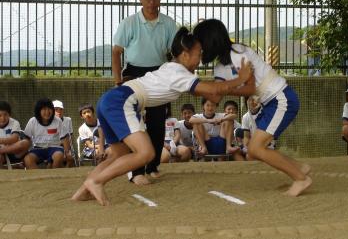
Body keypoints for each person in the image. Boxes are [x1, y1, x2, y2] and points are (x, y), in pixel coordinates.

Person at [72, 27, 253, 206]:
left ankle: (83, 191)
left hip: (111, 100)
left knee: (118, 155)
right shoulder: (179, 74)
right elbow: (213, 89)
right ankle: (96, 181)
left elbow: (213, 95)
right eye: (199, 53)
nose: (201, 59)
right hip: (122, 102)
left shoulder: (172, 69)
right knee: (146, 153)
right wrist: (239, 78)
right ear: (185, 54)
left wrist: (232, 80)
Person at [193, 18, 312, 197]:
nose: (199, 48)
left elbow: (250, 88)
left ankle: (301, 178)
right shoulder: (220, 67)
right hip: (271, 103)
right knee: (256, 149)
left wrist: (225, 88)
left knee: (256, 148)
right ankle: (299, 168)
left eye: (200, 43)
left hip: (281, 99)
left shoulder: (238, 52)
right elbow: (216, 97)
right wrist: (194, 87)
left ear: (210, 40)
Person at [112, 0, 177, 185]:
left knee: (158, 123)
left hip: (159, 74)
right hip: (133, 74)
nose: (151, 2)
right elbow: (116, 52)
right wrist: (117, 81)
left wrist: (172, 76)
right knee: (136, 123)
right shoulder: (129, 23)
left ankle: (153, 165)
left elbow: (174, 53)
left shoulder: (168, 24)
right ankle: (136, 171)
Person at [23, 99, 69, 169]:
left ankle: (54, 177)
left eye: (49, 109)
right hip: (37, 149)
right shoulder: (32, 121)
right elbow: (26, 139)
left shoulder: (57, 120)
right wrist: (25, 152)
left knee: (59, 156)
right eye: (44, 109)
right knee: (27, 159)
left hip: (55, 148)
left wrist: (67, 152)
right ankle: (39, 178)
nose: (47, 112)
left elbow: (64, 138)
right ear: (39, 110)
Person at [0, 101, 30, 168]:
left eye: (5, 115)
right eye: (0, 115)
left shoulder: (14, 123)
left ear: (9, 115)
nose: (3, 118)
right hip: (2, 156)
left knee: (25, 142)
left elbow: (14, 139)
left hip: (15, 152)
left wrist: (3, 148)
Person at [53, 100, 75, 167]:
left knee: (70, 158)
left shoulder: (68, 120)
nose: (59, 112)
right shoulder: (49, 122)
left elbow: (70, 135)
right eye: (56, 109)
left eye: (61, 109)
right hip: (54, 146)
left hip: (67, 147)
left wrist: (68, 149)